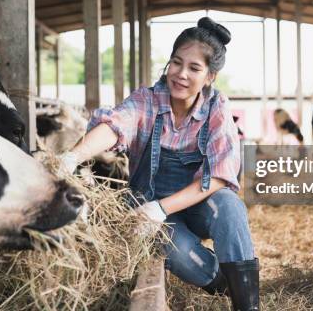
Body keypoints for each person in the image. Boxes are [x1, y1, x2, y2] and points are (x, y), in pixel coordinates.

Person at [60, 17, 259, 311]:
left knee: (229, 206)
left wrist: (163, 207)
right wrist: (73, 156)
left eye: (194, 68)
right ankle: (223, 283)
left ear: (210, 77)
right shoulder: (148, 100)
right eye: (176, 63)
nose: (180, 74)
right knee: (177, 253)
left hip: (197, 203)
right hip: (150, 209)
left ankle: (249, 308)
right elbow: (115, 125)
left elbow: (220, 174)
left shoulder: (217, 107)